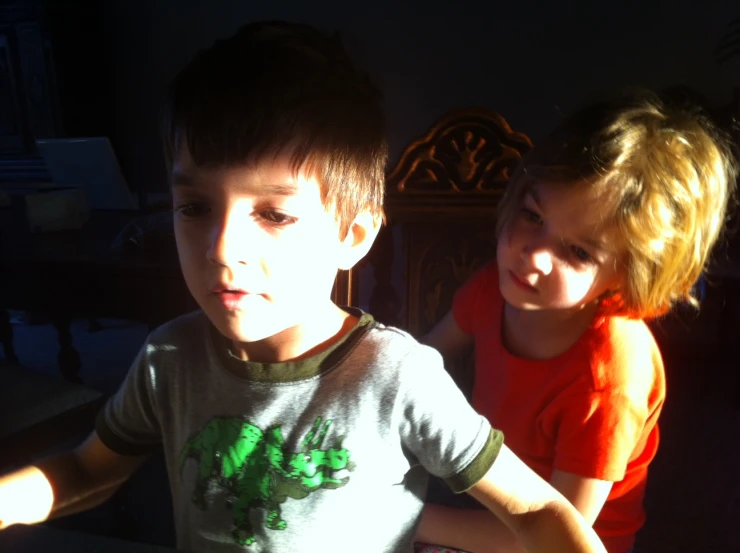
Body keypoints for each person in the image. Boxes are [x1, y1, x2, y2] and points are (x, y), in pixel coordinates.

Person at [0, 21, 606, 553]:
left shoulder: (398, 377)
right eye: (193, 207)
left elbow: (537, 508)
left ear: (352, 234)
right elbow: (84, 470)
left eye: (274, 213)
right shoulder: (168, 358)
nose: (220, 248)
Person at [415, 89, 737, 553]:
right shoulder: (496, 288)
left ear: (627, 277)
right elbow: (423, 361)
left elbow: (555, 533)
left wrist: (409, 517)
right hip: (485, 495)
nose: (533, 253)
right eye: (533, 215)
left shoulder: (608, 380)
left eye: (579, 251)